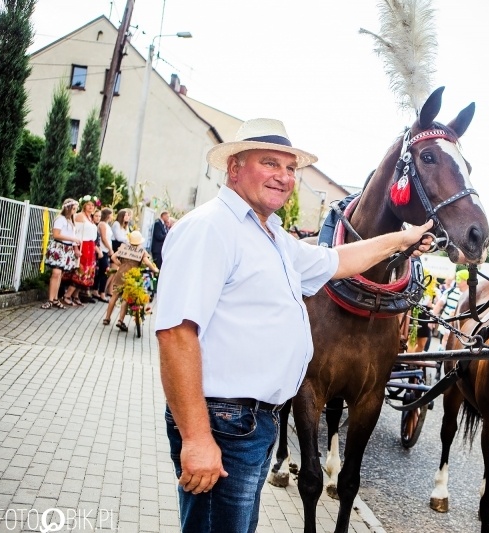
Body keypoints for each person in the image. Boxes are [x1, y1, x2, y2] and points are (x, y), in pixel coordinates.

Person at [153, 118, 436, 533]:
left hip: (250, 423)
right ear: (234, 167)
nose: (283, 177)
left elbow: (338, 261)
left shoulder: (272, 237)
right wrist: (196, 439)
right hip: (222, 422)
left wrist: (400, 240)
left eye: (289, 169)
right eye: (270, 164)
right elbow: (176, 334)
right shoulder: (210, 228)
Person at [103, 231, 159, 331]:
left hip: (120, 274)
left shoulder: (124, 247)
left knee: (114, 296)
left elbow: (113, 257)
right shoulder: (141, 250)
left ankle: (107, 318)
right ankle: (120, 320)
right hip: (132, 276)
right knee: (126, 298)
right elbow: (147, 262)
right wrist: (154, 269)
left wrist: (120, 264)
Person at [41, 199, 81, 309]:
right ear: (67, 208)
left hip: (66, 249)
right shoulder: (60, 219)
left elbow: (71, 235)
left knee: (59, 275)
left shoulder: (70, 221)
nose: (75, 211)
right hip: (59, 247)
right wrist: (72, 238)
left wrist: (75, 247)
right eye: (73, 209)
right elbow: (56, 235)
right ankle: (50, 299)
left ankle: (54, 298)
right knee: (56, 273)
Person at [63, 195, 100, 306]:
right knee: (80, 271)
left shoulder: (90, 218)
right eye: (88, 204)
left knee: (87, 273)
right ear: (84, 205)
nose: (90, 207)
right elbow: (76, 233)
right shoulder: (80, 216)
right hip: (82, 245)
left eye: (92, 205)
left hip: (90, 246)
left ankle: (76, 295)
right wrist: (76, 248)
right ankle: (67, 295)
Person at [431, 269, 470, 350]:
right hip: (445, 324)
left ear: (466, 281)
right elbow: (439, 305)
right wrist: (432, 319)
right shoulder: (450, 291)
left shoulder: (471, 296)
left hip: (461, 329)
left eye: (459, 279)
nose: (457, 281)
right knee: (443, 343)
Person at [91, 208, 114, 303]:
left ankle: (96, 290)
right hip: (103, 250)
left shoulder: (107, 225)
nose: (113, 216)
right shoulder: (102, 224)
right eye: (112, 214)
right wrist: (110, 249)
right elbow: (104, 238)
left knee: (101, 272)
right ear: (108, 215)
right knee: (105, 271)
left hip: (105, 250)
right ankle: (102, 293)